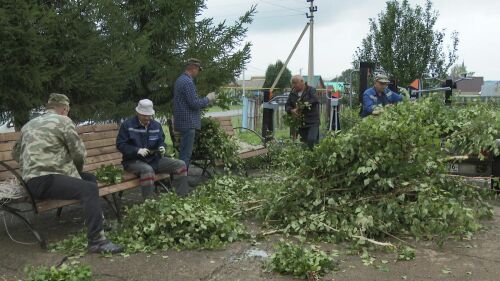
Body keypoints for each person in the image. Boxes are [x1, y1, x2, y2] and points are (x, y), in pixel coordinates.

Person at [12, 93, 123, 254]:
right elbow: (78, 154)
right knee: (89, 189)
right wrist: (76, 172)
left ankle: (99, 222)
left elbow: (15, 154)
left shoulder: (29, 125)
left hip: (33, 182)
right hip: (47, 181)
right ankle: (97, 241)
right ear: (65, 109)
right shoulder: (63, 121)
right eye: (68, 111)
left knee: (89, 179)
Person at [116, 99, 191, 198]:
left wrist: (162, 147)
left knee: (180, 164)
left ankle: (181, 197)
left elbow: (161, 141)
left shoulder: (156, 125)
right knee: (148, 170)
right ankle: (149, 205)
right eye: (144, 115)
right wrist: (137, 150)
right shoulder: (127, 125)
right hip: (133, 161)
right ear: (138, 112)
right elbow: (120, 145)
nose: (147, 118)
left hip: (154, 160)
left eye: (149, 115)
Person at [173, 58, 216, 169]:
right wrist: (208, 98)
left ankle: (181, 179)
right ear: (194, 68)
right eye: (198, 70)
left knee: (184, 153)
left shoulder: (180, 80)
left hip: (183, 122)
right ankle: (182, 181)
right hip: (188, 124)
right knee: (185, 155)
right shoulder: (188, 82)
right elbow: (194, 103)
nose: (198, 73)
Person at [285, 75, 320, 149]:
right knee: (304, 142)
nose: (294, 85)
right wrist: (292, 110)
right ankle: (309, 157)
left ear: (302, 82)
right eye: (293, 83)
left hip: (312, 121)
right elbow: (287, 106)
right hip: (300, 123)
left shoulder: (311, 90)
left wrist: (302, 106)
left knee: (312, 140)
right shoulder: (292, 94)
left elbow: (315, 100)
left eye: (295, 83)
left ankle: (315, 156)